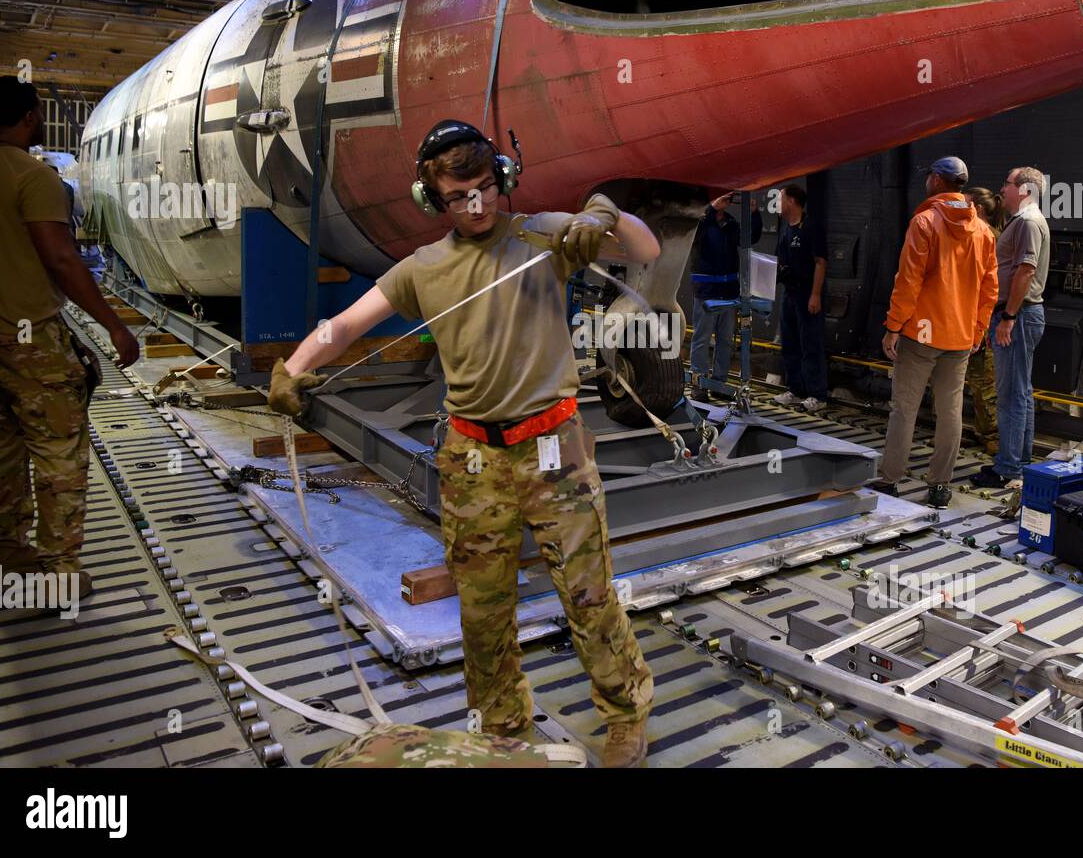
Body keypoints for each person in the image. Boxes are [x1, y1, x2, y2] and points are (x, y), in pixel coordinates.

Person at [268, 120, 659, 767]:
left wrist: (604, 215)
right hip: (471, 461)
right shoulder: (423, 269)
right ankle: (503, 731)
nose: (475, 206)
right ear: (432, 198)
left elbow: (641, 250)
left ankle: (626, 717)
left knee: (588, 597)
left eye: (484, 189)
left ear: (500, 181)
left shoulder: (542, 236)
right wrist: (294, 368)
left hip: (553, 451)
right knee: (482, 615)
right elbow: (340, 328)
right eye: (457, 196)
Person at [0, 77, 140, 598]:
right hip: (26, 338)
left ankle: (1, 557)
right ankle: (57, 574)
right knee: (59, 454)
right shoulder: (35, 178)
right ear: (28, 118)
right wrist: (113, 325)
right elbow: (61, 257)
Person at [873, 157, 997, 508]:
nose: (927, 180)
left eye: (930, 176)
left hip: (920, 335)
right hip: (959, 337)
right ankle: (940, 486)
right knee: (951, 412)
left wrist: (893, 327)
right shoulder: (983, 232)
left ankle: (890, 479)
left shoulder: (925, 222)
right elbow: (990, 289)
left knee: (905, 410)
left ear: (939, 182)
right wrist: (978, 330)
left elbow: (908, 281)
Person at [970, 166, 1051, 488]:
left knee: (1010, 396)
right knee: (1021, 393)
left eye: (1007, 183)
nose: (1002, 189)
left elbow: (1025, 271)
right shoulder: (1021, 222)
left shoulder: (1029, 223)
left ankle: (1008, 468)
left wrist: (1008, 317)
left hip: (1017, 316)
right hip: (1019, 315)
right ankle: (1020, 462)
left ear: (1024, 190)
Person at [689, 192, 762, 400]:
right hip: (706, 292)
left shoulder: (730, 224)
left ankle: (719, 383)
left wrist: (754, 214)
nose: (725, 201)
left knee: (725, 340)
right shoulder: (700, 222)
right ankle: (699, 383)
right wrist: (711, 209)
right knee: (702, 338)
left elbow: (750, 238)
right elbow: (695, 237)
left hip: (728, 292)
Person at [773, 183, 828, 412]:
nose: (778, 203)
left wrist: (815, 294)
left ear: (792, 201)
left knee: (810, 344)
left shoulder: (811, 227)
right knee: (790, 342)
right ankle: (796, 389)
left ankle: (818, 394)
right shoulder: (786, 228)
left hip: (806, 293)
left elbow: (820, 262)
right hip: (789, 292)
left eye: (781, 198)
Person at [963, 187, 1007, 454]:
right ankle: (985, 433)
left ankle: (992, 436)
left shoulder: (987, 237)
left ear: (977, 208)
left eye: (965, 204)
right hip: (976, 317)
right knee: (978, 381)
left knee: (983, 381)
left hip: (982, 319)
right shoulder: (990, 236)